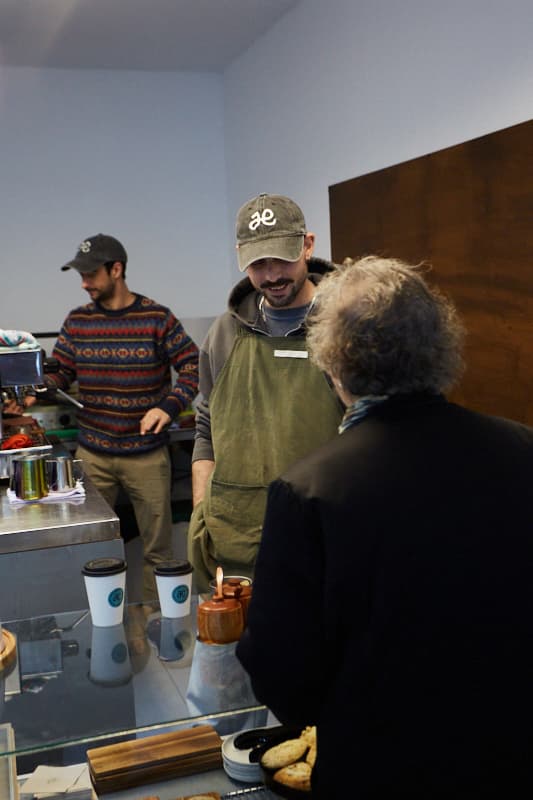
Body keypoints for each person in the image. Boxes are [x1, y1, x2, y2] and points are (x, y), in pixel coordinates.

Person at [237, 256, 533, 798]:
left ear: (330, 359)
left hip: (379, 768)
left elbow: (282, 676)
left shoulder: (307, 491)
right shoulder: (522, 448)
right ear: (441, 346)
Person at [188, 193, 344, 592]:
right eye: (258, 263)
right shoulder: (223, 334)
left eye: (282, 259)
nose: (272, 275)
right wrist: (202, 511)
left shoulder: (348, 324)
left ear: (308, 245)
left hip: (329, 539)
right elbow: (206, 429)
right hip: (237, 543)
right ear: (241, 256)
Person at [45, 234, 199, 605]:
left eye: (91, 274)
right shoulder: (78, 320)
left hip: (146, 456)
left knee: (158, 552)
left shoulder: (156, 318)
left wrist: (169, 406)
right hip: (93, 455)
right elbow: (61, 372)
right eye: (80, 275)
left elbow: (194, 366)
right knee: (88, 546)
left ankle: (153, 622)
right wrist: (37, 386)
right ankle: (98, 621)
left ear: (117, 270)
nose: (84, 283)